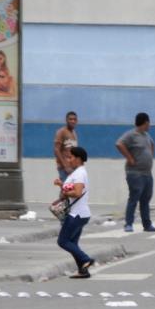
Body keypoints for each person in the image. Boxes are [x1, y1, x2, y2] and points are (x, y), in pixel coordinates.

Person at [53, 146, 94, 279]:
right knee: (73, 243)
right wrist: (61, 187)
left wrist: (64, 191)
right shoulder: (77, 172)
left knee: (63, 241)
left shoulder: (80, 173)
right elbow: (71, 191)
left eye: (71, 157)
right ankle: (83, 271)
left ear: (78, 159)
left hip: (77, 214)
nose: (68, 160)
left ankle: (86, 259)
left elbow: (77, 192)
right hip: (80, 213)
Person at [115, 112, 155, 233]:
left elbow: (152, 145)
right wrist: (130, 158)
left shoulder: (146, 135)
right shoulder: (131, 134)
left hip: (147, 173)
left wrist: (149, 156)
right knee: (134, 198)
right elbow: (119, 144)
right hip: (135, 173)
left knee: (146, 199)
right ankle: (128, 224)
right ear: (145, 122)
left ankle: (147, 224)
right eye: (149, 123)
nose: (149, 125)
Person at [53, 111, 79, 182]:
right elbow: (56, 150)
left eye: (74, 119)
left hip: (72, 168)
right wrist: (65, 166)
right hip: (64, 168)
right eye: (70, 119)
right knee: (67, 189)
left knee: (69, 190)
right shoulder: (61, 132)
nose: (72, 121)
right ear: (66, 120)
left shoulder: (74, 133)